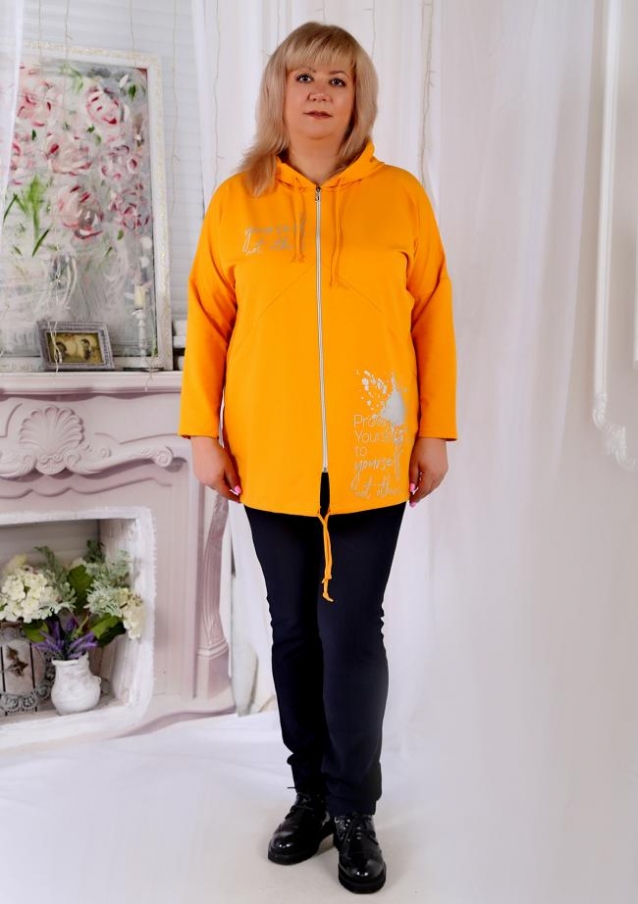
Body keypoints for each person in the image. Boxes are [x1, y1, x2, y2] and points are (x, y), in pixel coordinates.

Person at [179, 21, 457, 895]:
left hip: (373, 458)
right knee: (294, 632)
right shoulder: (239, 202)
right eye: (304, 77)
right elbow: (209, 323)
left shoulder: (401, 197)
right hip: (271, 458)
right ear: (280, 91)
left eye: (338, 80)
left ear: (357, 96)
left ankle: (354, 808)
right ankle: (309, 796)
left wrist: (435, 430)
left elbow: (432, 317)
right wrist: (202, 433)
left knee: (352, 632)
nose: (320, 94)